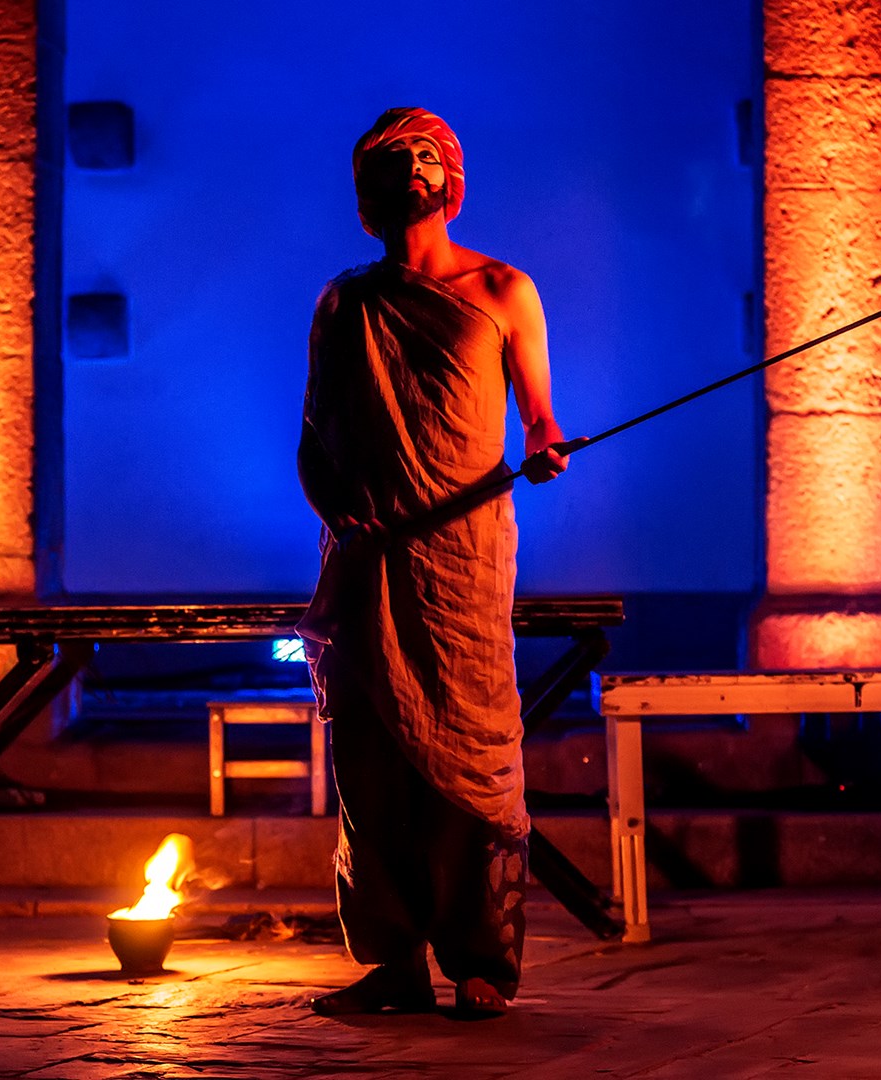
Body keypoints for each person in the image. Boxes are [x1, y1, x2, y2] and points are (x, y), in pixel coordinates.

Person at [295, 107, 571, 1018]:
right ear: (368, 193)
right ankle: (394, 961)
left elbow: (539, 420)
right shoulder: (345, 305)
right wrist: (341, 516)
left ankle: (481, 960)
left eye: (425, 158)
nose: (410, 172)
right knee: (371, 758)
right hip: (365, 556)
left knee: (469, 749)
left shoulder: (503, 290)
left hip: (462, 559)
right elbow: (314, 441)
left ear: (449, 180)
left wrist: (545, 447)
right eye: (392, 162)